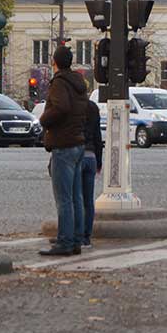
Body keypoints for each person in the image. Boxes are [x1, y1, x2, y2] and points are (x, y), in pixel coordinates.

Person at [38, 46, 89, 257]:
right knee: (76, 196)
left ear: (55, 62)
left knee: (64, 198)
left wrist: (44, 119)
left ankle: (65, 242)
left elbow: (61, 108)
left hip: (63, 144)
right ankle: (76, 239)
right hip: (77, 142)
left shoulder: (59, 83)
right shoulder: (79, 84)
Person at [80, 99, 104, 249]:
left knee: (74, 198)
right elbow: (98, 136)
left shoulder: (73, 105)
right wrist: (99, 161)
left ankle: (74, 234)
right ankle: (86, 236)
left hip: (76, 153)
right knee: (88, 200)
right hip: (91, 156)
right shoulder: (93, 107)